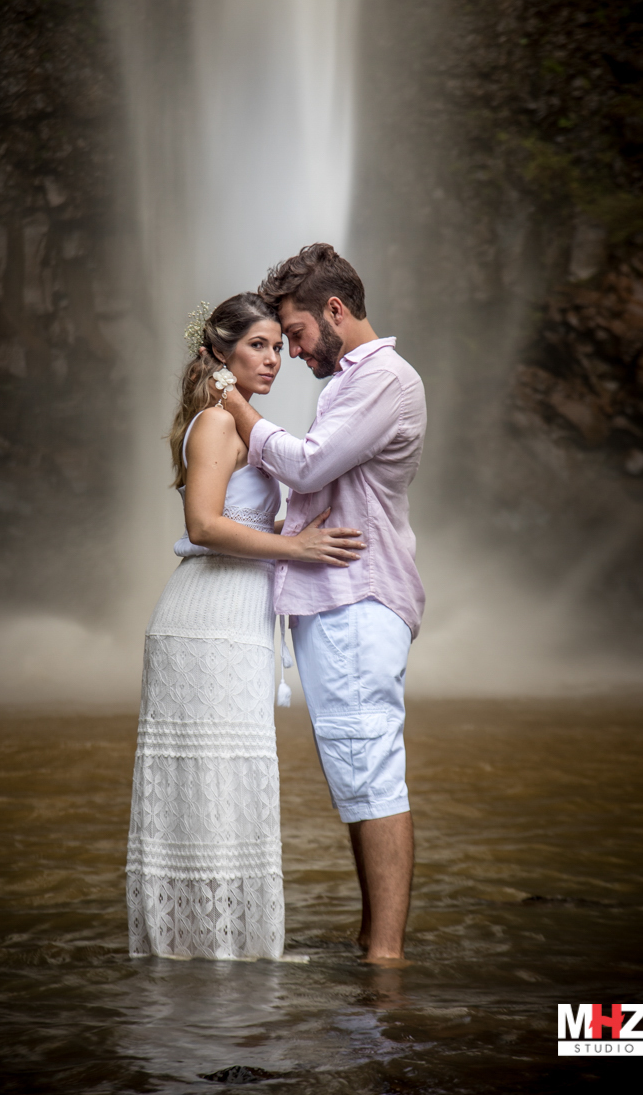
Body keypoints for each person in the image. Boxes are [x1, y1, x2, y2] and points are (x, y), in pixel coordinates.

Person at [126, 291, 365, 959]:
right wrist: (296, 547)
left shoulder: (239, 424)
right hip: (206, 621)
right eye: (257, 345)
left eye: (274, 345)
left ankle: (222, 952)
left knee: (230, 787)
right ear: (221, 354)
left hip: (238, 620)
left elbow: (243, 514)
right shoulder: (216, 424)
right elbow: (202, 525)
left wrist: (292, 529)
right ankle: (201, 954)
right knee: (209, 785)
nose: (273, 358)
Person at [224, 245, 426, 963]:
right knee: (357, 771)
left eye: (298, 333)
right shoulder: (352, 380)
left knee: (369, 768)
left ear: (334, 310)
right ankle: (373, 942)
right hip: (341, 598)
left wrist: (235, 408)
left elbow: (308, 463)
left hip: (356, 596)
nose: (296, 351)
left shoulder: (384, 379)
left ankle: (384, 958)